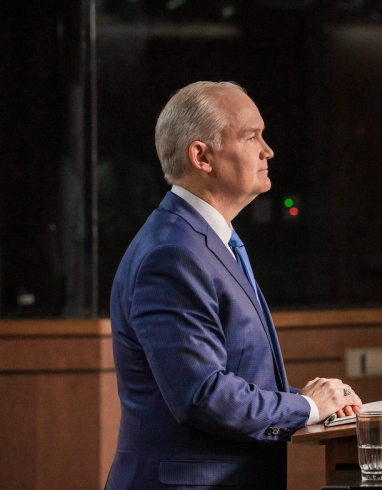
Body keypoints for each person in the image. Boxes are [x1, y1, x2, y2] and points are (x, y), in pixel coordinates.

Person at [106, 81, 362, 489]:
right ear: (202, 156)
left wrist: (314, 405)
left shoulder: (204, 241)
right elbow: (202, 394)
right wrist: (306, 406)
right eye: (251, 137)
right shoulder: (171, 254)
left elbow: (231, 378)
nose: (268, 150)